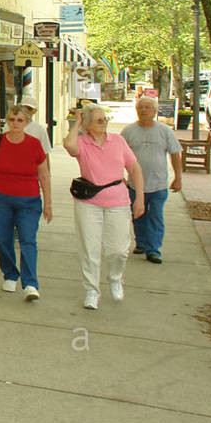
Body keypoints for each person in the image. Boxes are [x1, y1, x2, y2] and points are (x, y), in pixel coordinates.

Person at [63, 104, 146, 310]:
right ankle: (92, 289)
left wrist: (140, 198)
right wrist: (77, 123)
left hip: (118, 200)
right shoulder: (82, 143)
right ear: (88, 124)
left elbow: (134, 169)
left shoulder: (118, 141)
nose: (104, 122)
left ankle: (115, 278)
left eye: (105, 119)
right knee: (89, 248)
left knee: (118, 249)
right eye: (99, 120)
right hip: (89, 203)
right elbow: (69, 146)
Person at [0, 104, 53, 301]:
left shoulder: (34, 144)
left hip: (28, 201)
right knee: (3, 239)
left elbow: (44, 174)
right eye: (12, 120)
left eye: (20, 120)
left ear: (26, 122)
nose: (15, 124)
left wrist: (48, 203)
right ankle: (10, 274)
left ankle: (30, 284)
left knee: (28, 239)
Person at [121, 95, 183, 264]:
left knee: (155, 216)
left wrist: (178, 177)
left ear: (155, 111)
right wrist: (120, 177)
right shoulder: (128, 131)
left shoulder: (165, 131)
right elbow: (117, 155)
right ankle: (140, 242)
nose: (144, 111)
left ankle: (153, 249)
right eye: (141, 107)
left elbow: (175, 154)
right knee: (138, 214)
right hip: (135, 184)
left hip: (158, 185)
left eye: (148, 107)